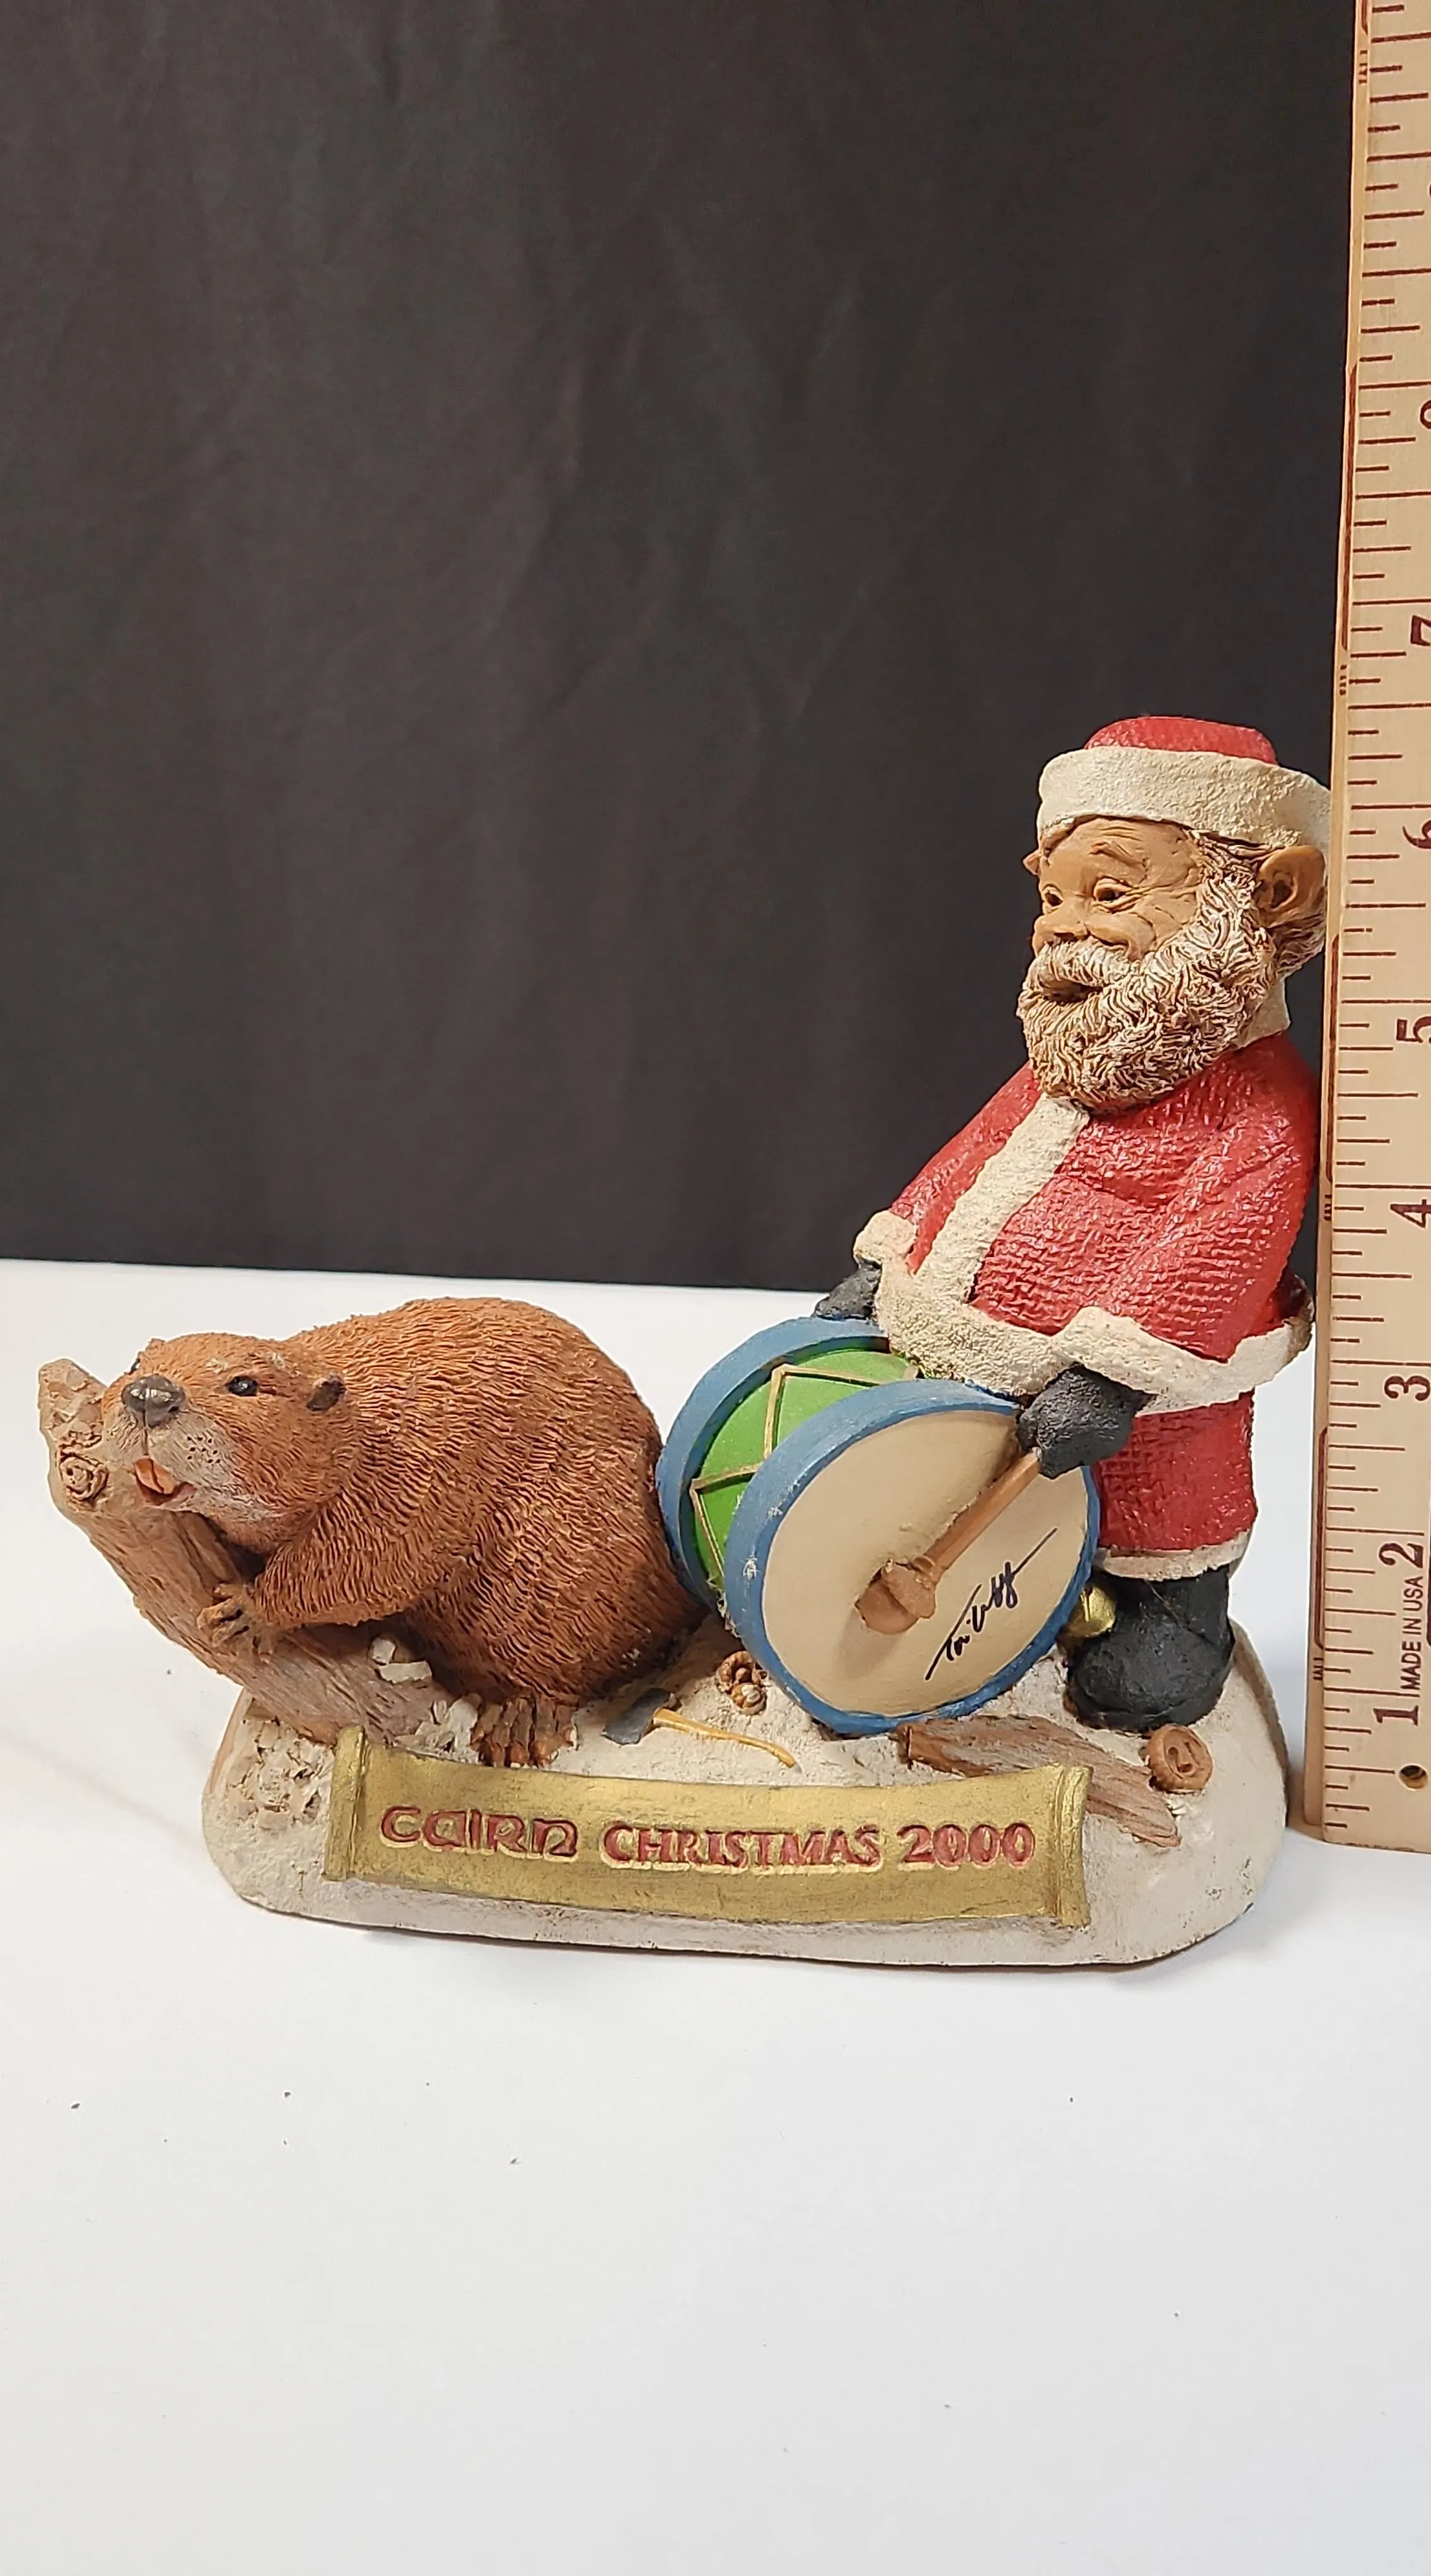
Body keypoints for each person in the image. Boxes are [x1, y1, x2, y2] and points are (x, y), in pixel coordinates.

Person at [817, 715, 1326, 1731]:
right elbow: (971, 1159)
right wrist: (891, 1256)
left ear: (1267, 897)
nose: (1063, 928)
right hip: (976, 1376)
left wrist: (1114, 1371)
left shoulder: (1257, 1105)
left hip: (1143, 1409)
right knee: (963, 1491)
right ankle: (1015, 1594)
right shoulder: (1077, 1058)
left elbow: (1219, 1242)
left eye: (1110, 893)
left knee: (1156, 1508)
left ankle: (1172, 1617)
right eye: (1052, 898)